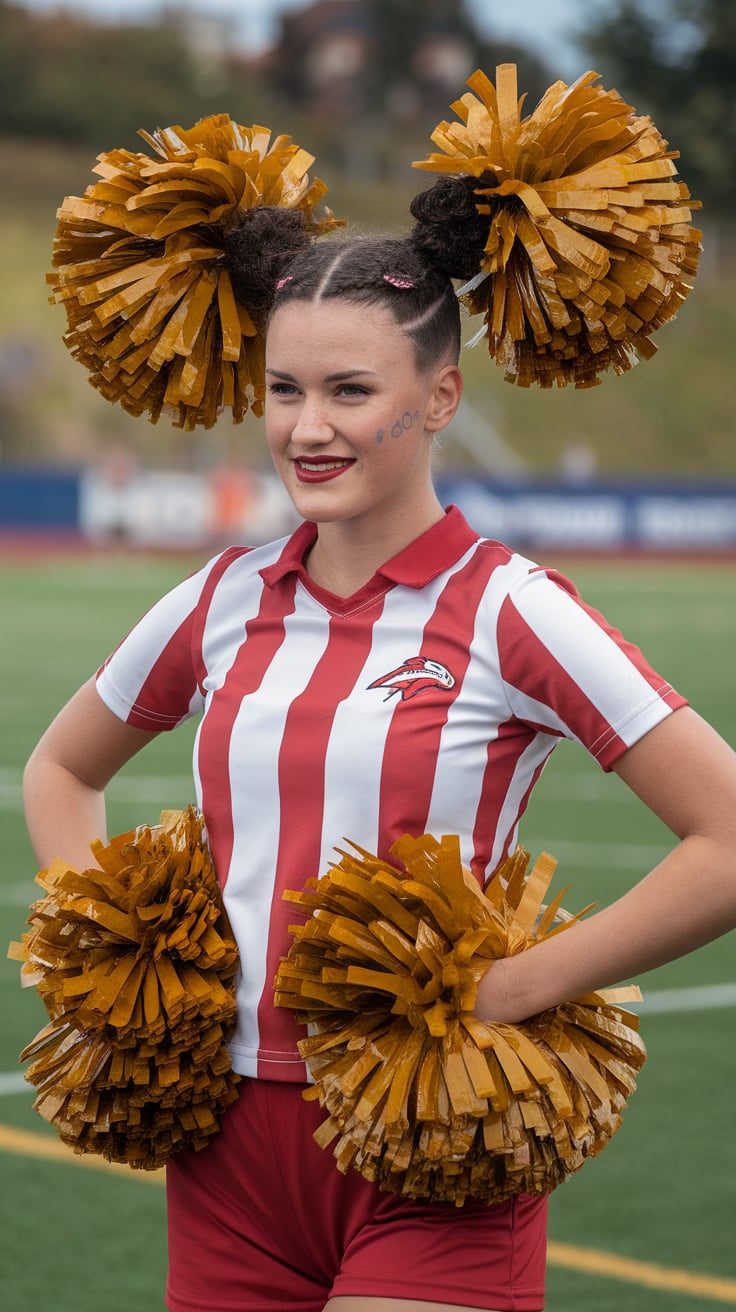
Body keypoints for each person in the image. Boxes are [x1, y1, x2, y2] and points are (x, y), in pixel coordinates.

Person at [22, 171, 736, 1312]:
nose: (308, 428)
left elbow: (727, 835)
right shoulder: (221, 597)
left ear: (441, 396)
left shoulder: (510, 608)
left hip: (433, 1136)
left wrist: (515, 987)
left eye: (350, 390)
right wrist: (112, 959)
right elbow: (61, 768)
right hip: (224, 1150)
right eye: (285, 390)